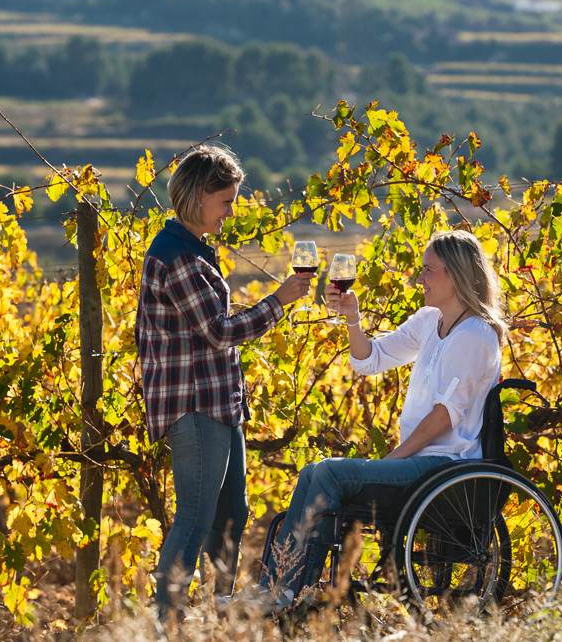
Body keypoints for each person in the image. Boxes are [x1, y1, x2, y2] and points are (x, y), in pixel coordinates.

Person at [252, 229, 508, 611]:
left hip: (443, 469)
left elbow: (444, 418)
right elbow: (369, 360)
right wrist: (353, 318)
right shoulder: (430, 320)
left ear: (455, 275)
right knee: (312, 473)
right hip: (422, 466)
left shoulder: (475, 334)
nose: (418, 279)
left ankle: (284, 594)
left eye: (428, 271)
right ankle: (277, 591)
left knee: (329, 474)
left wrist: (394, 459)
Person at [135, 145, 314, 617]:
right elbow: (217, 331)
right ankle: (167, 622)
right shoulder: (177, 258)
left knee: (232, 517)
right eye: (226, 200)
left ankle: (221, 609)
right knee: (195, 519)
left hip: (219, 404)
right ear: (198, 196)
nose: (231, 211)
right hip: (194, 407)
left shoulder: (193, 250)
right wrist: (279, 300)